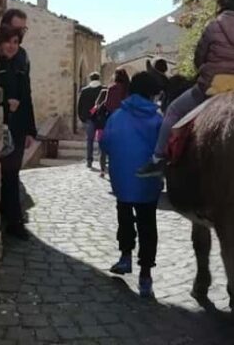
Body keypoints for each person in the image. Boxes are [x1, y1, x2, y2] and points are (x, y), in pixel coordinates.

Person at [136, 0, 234, 177]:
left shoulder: (215, 25)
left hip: (213, 87)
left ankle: (158, 159)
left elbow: (200, 58)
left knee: (173, 110)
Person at [99, 71, 163, 298]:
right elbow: (163, 150)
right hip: (148, 182)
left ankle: (125, 257)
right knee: (148, 225)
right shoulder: (158, 120)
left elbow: (105, 142)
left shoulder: (117, 116)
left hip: (122, 180)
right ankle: (145, 274)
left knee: (124, 217)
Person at [0, 24, 37, 241]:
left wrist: (31, 131)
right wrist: (3, 102)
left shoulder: (20, 66)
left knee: (12, 174)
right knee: (5, 174)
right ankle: (13, 220)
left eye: (15, 42)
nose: (11, 46)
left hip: (17, 129)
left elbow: (27, 97)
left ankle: (13, 220)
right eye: (8, 41)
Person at [93, 68, 130, 177]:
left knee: (105, 147)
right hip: (125, 121)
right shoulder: (129, 89)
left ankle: (103, 170)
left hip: (112, 120)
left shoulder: (112, 88)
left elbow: (108, 105)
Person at [77, 72, 105, 169]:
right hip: (101, 118)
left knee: (90, 140)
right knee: (101, 140)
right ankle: (103, 161)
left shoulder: (84, 91)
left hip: (89, 119)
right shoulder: (104, 89)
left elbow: (79, 106)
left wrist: (82, 118)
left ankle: (89, 161)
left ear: (90, 79)